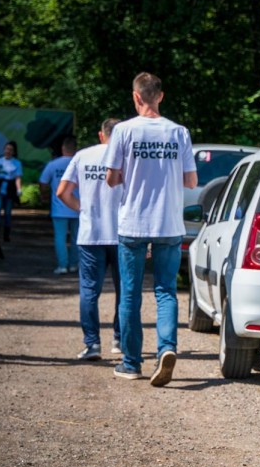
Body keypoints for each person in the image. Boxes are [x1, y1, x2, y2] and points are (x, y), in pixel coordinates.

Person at [104, 72, 196, 386]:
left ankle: (131, 363)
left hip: (133, 223)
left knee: (129, 295)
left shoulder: (124, 131)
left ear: (136, 97)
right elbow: (191, 181)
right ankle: (166, 349)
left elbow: (112, 178)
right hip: (169, 222)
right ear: (161, 96)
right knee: (166, 291)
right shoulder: (179, 132)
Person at [57, 118, 123, 360]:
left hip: (90, 234)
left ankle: (92, 344)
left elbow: (62, 192)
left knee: (89, 291)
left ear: (100, 134)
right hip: (122, 234)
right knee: (124, 290)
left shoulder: (83, 156)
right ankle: (120, 339)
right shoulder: (127, 157)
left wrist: (82, 209)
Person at [40, 136, 80, 274]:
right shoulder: (80, 163)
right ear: (75, 149)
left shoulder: (53, 164)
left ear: (63, 148)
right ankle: (74, 264)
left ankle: (62, 265)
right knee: (77, 238)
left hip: (59, 207)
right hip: (77, 207)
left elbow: (43, 182)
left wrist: (44, 196)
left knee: (60, 238)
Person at [0, 141, 23, 242]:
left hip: (10, 188)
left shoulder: (17, 163)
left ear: (14, 152)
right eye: (6, 149)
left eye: (10, 150)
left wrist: (19, 189)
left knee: (7, 212)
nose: (8, 151)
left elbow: (18, 178)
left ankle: (6, 235)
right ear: (4, 150)